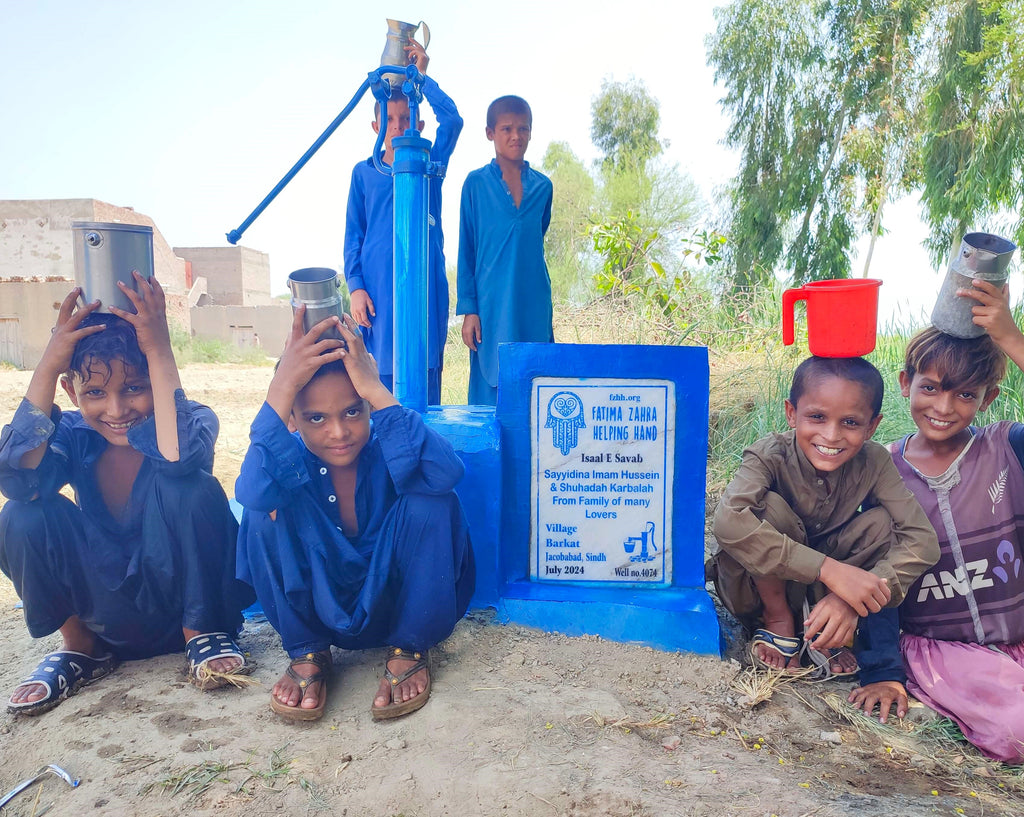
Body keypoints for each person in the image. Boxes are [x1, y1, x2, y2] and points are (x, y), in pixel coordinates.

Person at [0, 278, 252, 716]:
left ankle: (201, 635)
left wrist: (158, 349)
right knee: (23, 514)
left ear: (157, 381)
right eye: (95, 393)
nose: (116, 410)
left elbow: (177, 460)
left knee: (190, 485)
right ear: (70, 392)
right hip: (107, 614)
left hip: (186, 605)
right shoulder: (73, 435)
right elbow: (20, 480)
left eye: (134, 387)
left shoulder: (192, 421)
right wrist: (48, 364)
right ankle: (82, 648)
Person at [235, 308, 474, 721]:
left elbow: (447, 473)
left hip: (397, 606)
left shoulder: (389, 444)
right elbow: (252, 492)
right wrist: (281, 388)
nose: (339, 432)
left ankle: (410, 648)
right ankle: (308, 651)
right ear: (291, 418)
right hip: (319, 609)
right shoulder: (288, 461)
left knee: (433, 499)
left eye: (352, 411)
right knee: (262, 510)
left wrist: (376, 389)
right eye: (315, 418)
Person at [849, 280, 1024, 762]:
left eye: (965, 395)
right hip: (941, 646)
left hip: (1017, 639)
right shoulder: (880, 469)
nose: (943, 408)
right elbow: (873, 573)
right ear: (906, 383)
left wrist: (1009, 336)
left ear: (987, 399)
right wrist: (881, 669)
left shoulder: (1005, 448)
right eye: (929, 388)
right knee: (1018, 731)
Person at [709, 356, 939, 676]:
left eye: (850, 422)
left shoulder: (874, 461)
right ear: (792, 413)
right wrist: (828, 570)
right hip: (757, 593)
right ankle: (779, 623)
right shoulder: (769, 453)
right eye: (817, 417)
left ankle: (827, 628)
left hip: (830, 595)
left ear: (872, 426)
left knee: (882, 525)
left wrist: (853, 598)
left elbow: (923, 541)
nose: (831, 436)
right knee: (766, 508)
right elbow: (727, 522)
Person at [343, 38, 461, 405]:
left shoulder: (430, 165)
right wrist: (356, 286)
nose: (397, 127)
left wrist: (424, 80)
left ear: (419, 123)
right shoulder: (365, 173)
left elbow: (454, 120)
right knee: (381, 386)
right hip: (378, 297)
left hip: (425, 293)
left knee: (423, 382)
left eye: (405, 119)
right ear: (375, 123)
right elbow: (354, 236)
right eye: (389, 120)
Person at [457, 95, 553, 406]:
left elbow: (534, 239)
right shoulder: (475, 185)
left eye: (522, 129)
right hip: (490, 306)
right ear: (490, 133)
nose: (516, 136)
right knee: (490, 383)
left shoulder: (543, 187)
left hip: (532, 303)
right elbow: (467, 249)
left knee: (535, 384)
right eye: (506, 129)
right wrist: (469, 309)